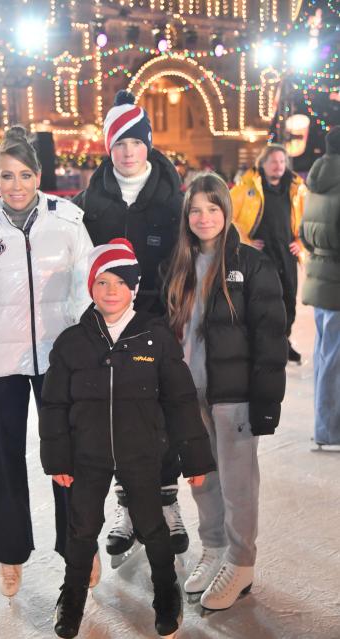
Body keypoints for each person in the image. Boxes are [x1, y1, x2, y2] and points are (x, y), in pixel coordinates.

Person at [39, 238, 216, 638]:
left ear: (134, 288)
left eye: (120, 282)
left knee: (153, 525)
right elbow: (53, 405)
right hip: (88, 455)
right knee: (81, 527)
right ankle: (72, 597)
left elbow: (180, 401)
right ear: (90, 288)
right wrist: (58, 459)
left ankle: (166, 590)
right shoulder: (72, 343)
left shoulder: (154, 338)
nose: (111, 291)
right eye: (102, 282)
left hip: (141, 452)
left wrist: (196, 460)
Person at [0, 125, 93, 599]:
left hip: (60, 361)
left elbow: (86, 292)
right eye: (6, 177)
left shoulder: (68, 220)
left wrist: (87, 358)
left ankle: (79, 547)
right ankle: (9, 554)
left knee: (67, 457)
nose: (15, 186)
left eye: (24, 175)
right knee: (3, 460)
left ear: (38, 176)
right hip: (1, 364)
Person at [72, 90, 188, 562]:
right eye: (118, 142)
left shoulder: (173, 198)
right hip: (111, 322)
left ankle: (165, 501)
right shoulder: (89, 201)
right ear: (108, 147)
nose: (128, 151)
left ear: (149, 144)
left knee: (162, 414)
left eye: (135, 141)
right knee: (118, 414)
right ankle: (126, 507)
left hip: (162, 320)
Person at [164, 172, 288, 611]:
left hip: (233, 395)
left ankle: (241, 563)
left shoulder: (251, 265)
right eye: (195, 210)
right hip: (190, 392)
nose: (203, 217)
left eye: (212, 208)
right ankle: (214, 548)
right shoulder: (177, 264)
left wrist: (266, 401)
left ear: (226, 211)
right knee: (202, 479)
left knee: (237, 485)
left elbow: (271, 337)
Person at [230, 143, 306, 363]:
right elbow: (228, 216)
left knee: (288, 300)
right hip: (260, 257)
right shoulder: (247, 187)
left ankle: (283, 341)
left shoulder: (295, 189)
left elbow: (307, 220)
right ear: (262, 164)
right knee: (261, 302)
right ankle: (260, 345)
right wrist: (246, 242)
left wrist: (300, 243)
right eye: (273, 161)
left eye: (282, 161)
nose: (278, 166)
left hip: (286, 254)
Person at [299, 126, 340, 447]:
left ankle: (326, 425)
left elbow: (304, 230)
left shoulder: (316, 181)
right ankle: (330, 429)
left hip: (321, 276)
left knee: (326, 355)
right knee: (334, 360)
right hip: (335, 278)